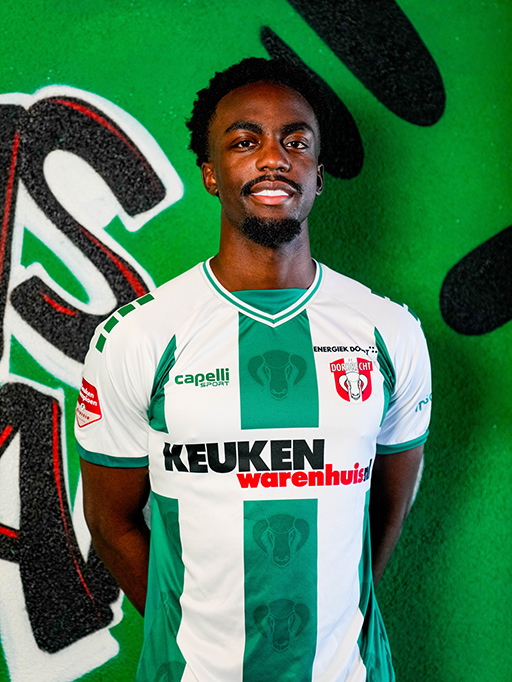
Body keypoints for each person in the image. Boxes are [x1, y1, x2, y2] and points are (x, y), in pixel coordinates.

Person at [75, 57, 431, 682]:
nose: (274, 159)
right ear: (211, 173)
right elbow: (110, 523)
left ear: (319, 175)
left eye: (296, 142)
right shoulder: (140, 335)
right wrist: (192, 637)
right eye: (245, 142)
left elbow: (387, 510)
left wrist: (334, 619)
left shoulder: (389, 331)